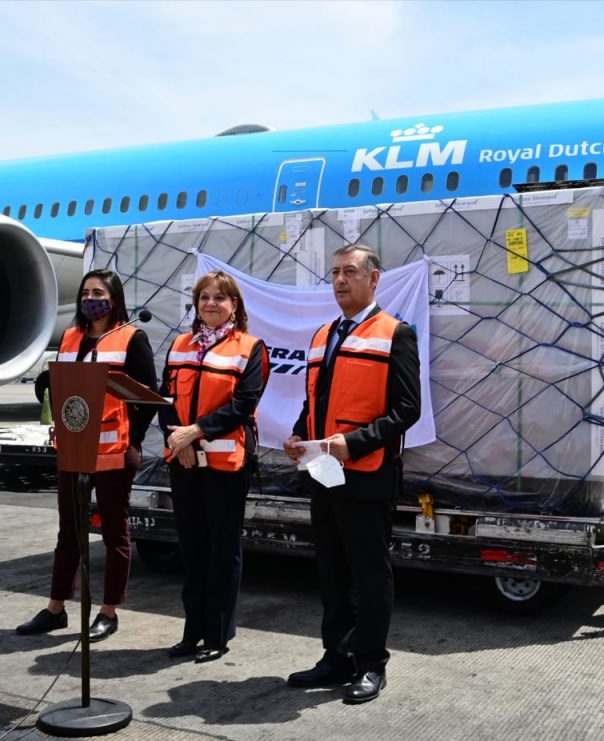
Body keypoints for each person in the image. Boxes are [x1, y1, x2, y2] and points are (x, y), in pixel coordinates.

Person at [283, 244, 421, 705]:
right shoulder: (323, 335)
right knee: (332, 571)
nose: (340, 280)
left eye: (350, 272)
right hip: (323, 471)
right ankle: (335, 657)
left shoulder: (396, 333)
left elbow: (407, 409)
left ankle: (370, 663)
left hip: (366, 474)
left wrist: (355, 443)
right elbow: (315, 400)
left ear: (374, 279)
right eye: (335, 273)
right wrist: (300, 434)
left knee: (368, 573)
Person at [16, 269, 158, 641]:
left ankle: (108, 611)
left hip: (113, 450)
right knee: (69, 531)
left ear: (114, 299)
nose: (90, 299)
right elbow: (62, 387)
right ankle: (56, 608)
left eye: (98, 293)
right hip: (74, 449)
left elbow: (148, 396)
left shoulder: (131, 338)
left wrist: (133, 439)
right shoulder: (70, 337)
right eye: (85, 292)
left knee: (114, 532)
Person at [158, 270, 269, 664]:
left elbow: (243, 404)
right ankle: (192, 631)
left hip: (226, 465)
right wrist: (180, 441)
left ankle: (217, 635)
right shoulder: (180, 345)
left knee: (223, 550)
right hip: (184, 460)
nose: (210, 303)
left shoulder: (250, 348)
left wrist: (196, 432)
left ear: (234, 305)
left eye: (219, 297)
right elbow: (165, 400)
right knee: (192, 548)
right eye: (204, 297)